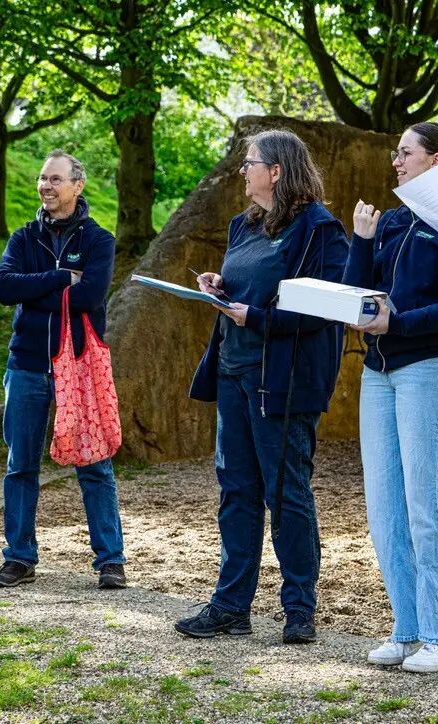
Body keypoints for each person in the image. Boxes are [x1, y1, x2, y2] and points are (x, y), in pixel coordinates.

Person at [176, 129, 348, 645]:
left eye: (249, 163)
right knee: (236, 491)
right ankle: (231, 606)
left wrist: (258, 316)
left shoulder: (320, 230)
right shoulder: (242, 225)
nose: (242, 171)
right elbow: (248, 284)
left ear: (275, 171)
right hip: (233, 370)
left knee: (286, 493)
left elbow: (327, 309)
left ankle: (299, 610)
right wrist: (220, 287)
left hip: (282, 381)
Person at [341, 122, 438, 672]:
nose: (395, 161)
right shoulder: (392, 221)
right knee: (386, 505)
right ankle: (410, 628)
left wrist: (394, 324)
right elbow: (356, 296)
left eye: (406, 152)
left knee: (427, 502)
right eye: (395, 153)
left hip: (430, 368)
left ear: (437, 159)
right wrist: (362, 240)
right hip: (379, 372)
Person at [0, 151, 126, 590]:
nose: (46, 186)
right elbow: (3, 287)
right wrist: (59, 277)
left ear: (77, 186)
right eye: (42, 178)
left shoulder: (99, 239)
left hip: (79, 366)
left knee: (95, 463)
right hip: (27, 364)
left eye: (55, 179)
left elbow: (90, 297)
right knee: (20, 465)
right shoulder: (24, 236)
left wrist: (40, 287)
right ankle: (19, 558)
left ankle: (110, 561)